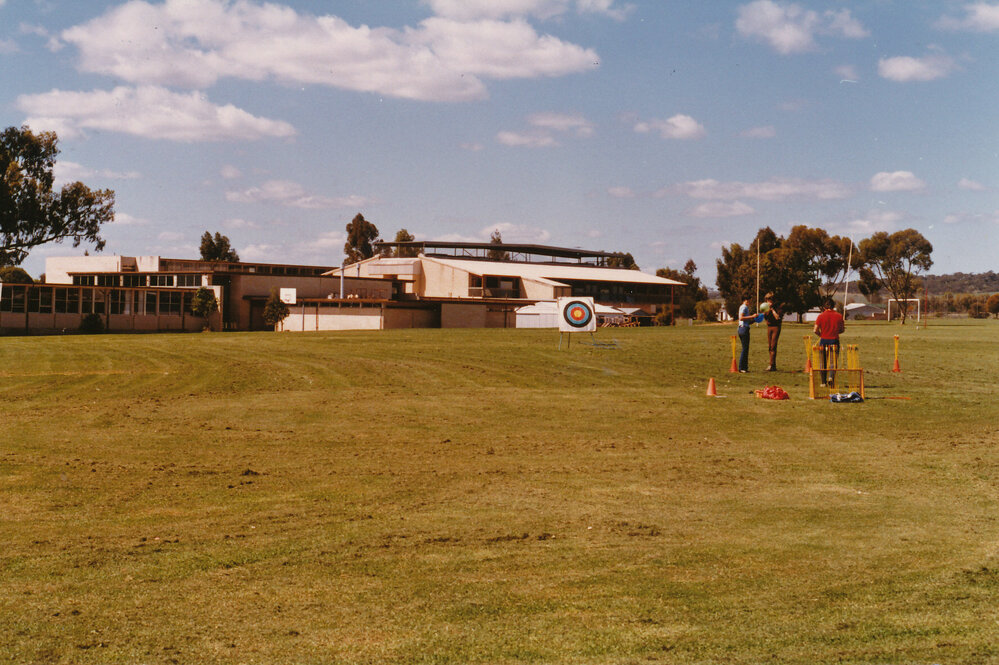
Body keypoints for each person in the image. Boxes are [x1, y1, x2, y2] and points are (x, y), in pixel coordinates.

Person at [813, 298, 845, 386]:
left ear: (824, 307)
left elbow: (815, 330)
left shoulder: (820, 316)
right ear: (833, 306)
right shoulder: (839, 316)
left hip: (823, 340)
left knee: (822, 361)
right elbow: (842, 329)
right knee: (833, 361)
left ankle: (823, 382)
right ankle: (831, 377)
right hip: (834, 340)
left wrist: (821, 335)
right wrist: (835, 332)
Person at [763, 292, 783, 371]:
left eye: (770, 300)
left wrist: (772, 310)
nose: (769, 302)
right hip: (769, 327)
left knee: (773, 346)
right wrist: (766, 310)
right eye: (767, 300)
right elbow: (765, 317)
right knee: (770, 346)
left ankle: (772, 365)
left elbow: (778, 317)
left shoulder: (778, 307)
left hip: (776, 327)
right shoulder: (766, 308)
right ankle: (772, 364)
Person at [736, 296, 755, 372]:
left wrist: (753, 319)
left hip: (741, 328)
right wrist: (752, 316)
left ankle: (745, 367)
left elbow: (746, 320)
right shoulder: (744, 307)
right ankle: (742, 368)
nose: (749, 302)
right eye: (749, 300)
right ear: (745, 300)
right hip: (744, 329)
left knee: (745, 348)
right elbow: (741, 318)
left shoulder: (742, 307)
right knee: (745, 349)